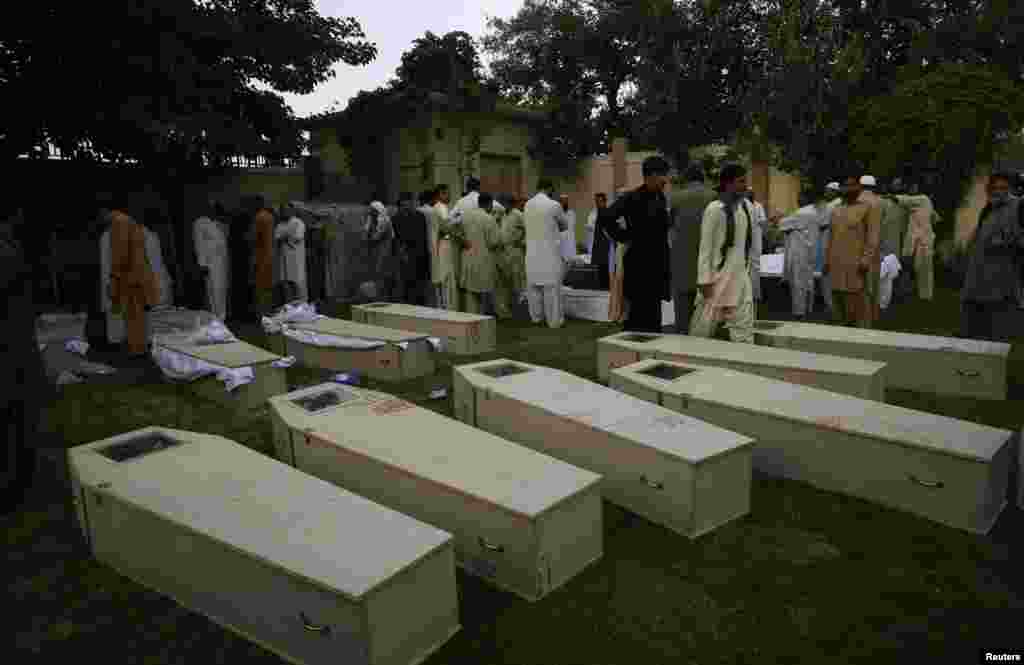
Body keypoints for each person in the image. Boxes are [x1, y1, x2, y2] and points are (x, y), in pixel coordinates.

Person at [0, 204, 51, 514]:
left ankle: (15, 486)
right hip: (14, 347)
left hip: (11, 349)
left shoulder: (7, 251)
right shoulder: (9, 249)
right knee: (17, 418)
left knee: (15, 418)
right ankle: (18, 482)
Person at [596, 157, 673, 332]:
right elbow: (606, 217)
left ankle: (651, 349)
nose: (665, 180)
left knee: (654, 316)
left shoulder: (660, 198)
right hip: (639, 265)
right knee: (637, 317)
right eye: (663, 175)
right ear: (651, 175)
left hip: (657, 264)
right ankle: (631, 351)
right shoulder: (632, 197)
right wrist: (624, 236)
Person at [689, 164, 757, 342]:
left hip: (740, 279)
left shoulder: (747, 208)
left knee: (744, 330)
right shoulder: (714, 209)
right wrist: (704, 280)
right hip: (716, 280)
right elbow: (705, 248)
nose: (745, 186)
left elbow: (749, 246)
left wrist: (748, 273)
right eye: (741, 182)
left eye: (745, 181)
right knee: (702, 331)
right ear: (728, 184)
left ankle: (743, 363)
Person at [959, 173, 1023, 341]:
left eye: (1003, 188)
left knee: (999, 331)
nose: (999, 191)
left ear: (1011, 189)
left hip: (1002, 279)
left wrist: (1005, 241)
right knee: (973, 329)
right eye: (995, 188)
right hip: (978, 278)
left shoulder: (1018, 206)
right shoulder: (989, 208)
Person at [824, 175, 881, 328]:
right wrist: (827, 261)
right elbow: (831, 238)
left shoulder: (867, 208)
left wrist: (865, 260)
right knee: (838, 301)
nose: (849, 189)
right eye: (846, 186)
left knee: (857, 304)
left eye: (852, 186)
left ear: (859, 189)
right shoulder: (836, 210)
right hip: (836, 264)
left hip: (856, 265)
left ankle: (861, 336)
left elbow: (872, 238)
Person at [669, 165, 717, 333]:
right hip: (708, 259)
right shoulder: (713, 196)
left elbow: (669, 225)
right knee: (707, 307)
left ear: (686, 180)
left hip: (681, 258)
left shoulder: (675, 198)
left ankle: (682, 338)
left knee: (682, 307)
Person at [109, 206, 160, 355]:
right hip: (137, 276)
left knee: (133, 316)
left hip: (131, 278)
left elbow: (121, 256)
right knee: (138, 316)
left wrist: (115, 277)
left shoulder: (120, 225)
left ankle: (138, 348)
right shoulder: (133, 226)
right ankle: (141, 346)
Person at [776, 190, 831, 320]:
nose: (798, 199)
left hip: (799, 252)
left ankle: (799, 312)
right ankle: (808, 308)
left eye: (800, 196)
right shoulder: (815, 212)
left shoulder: (802, 212)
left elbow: (782, 224)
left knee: (798, 283)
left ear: (806, 198)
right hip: (810, 251)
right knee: (808, 281)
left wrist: (779, 218)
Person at [524, 179, 570, 328]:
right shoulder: (554, 205)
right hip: (549, 252)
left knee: (534, 288)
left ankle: (536, 318)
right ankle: (554, 321)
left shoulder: (527, 205)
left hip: (531, 251)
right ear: (549, 188)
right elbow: (564, 225)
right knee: (552, 289)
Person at [459, 193, 503, 314]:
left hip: (468, 259)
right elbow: (494, 242)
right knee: (484, 295)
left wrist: (463, 241)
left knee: (471, 295)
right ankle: (482, 322)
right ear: (489, 204)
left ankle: (470, 320)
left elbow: (456, 232)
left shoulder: (466, 216)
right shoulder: (488, 219)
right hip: (483, 261)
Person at [892, 191, 937, 302]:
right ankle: (923, 295)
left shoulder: (922, 199)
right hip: (923, 241)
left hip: (920, 242)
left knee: (917, 269)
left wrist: (890, 196)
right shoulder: (927, 203)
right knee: (923, 270)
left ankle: (919, 295)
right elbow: (935, 218)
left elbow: (905, 200)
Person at [392, 192, 432, 306]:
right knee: (409, 287)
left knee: (417, 287)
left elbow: (423, 238)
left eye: (409, 202)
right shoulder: (396, 218)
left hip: (416, 257)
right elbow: (396, 240)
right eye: (405, 203)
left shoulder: (419, 216)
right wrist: (401, 252)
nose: (408, 205)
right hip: (408, 256)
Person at [193, 201, 231, 320]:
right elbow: (198, 244)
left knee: (221, 290)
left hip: (222, 262)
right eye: (212, 208)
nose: (214, 210)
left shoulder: (217, 223)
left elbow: (223, 243)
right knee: (213, 292)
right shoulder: (200, 222)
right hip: (210, 263)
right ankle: (216, 319)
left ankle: (222, 318)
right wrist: (202, 264)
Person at [495, 195, 527, 318]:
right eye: (503, 204)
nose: (504, 206)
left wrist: (521, 241)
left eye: (507, 204)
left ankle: (518, 308)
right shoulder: (501, 215)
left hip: (515, 250)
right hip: (503, 250)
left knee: (517, 279)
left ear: (512, 204)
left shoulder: (518, 214)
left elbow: (526, 230)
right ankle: (506, 308)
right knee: (505, 280)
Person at [432, 185, 461, 310]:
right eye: (447, 194)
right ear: (441, 194)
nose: (449, 196)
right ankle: (448, 307)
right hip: (444, 244)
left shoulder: (437, 207)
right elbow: (445, 227)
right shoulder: (441, 207)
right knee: (447, 277)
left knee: (444, 277)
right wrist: (457, 219)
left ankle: (444, 305)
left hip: (440, 244)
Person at [275, 204, 308, 303]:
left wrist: (285, 236)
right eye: (283, 210)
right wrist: (287, 234)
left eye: (287, 210)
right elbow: (276, 236)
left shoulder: (298, 223)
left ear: (292, 211)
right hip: (283, 256)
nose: (285, 212)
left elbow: (298, 236)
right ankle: (288, 305)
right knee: (285, 283)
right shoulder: (280, 224)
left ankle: (302, 305)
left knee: (298, 282)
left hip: (295, 257)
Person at [584, 192, 614, 290]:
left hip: (605, 244)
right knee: (600, 267)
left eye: (600, 201)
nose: (598, 203)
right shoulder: (596, 212)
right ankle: (602, 286)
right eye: (596, 202)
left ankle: (605, 287)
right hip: (598, 243)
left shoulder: (607, 212)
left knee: (605, 266)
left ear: (604, 202)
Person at [745, 189, 768, 314]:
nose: (750, 196)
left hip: (756, 242)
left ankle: (756, 295)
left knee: (755, 268)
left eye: (752, 195)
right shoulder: (741, 205)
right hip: (746, 243)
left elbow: (763, 222)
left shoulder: (758, 206)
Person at [251, 205, 275, 316]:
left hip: (261, 256)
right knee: (268, 285)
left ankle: (261, 312)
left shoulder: (259, 217)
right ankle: (268, 310)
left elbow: (256, 238)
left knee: (260, 286)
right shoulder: (270, 217)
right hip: (270, 256)